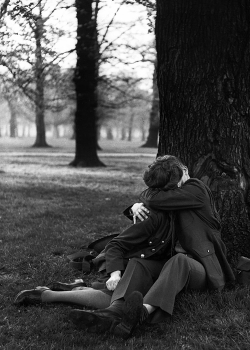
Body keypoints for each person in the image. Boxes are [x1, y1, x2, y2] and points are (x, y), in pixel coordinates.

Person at [66, 155, 235, 339]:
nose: (179, 186)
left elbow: (155, 199)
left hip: (201, 268)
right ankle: (114, 311)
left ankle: (142, 312)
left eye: (177, 181)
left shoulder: (196, 189)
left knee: (180, 260)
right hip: (169, 266)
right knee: (139, 263)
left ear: (186, 170)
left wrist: (140, 201)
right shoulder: (170, 198)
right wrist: (136, 207)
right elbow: (156, 200)